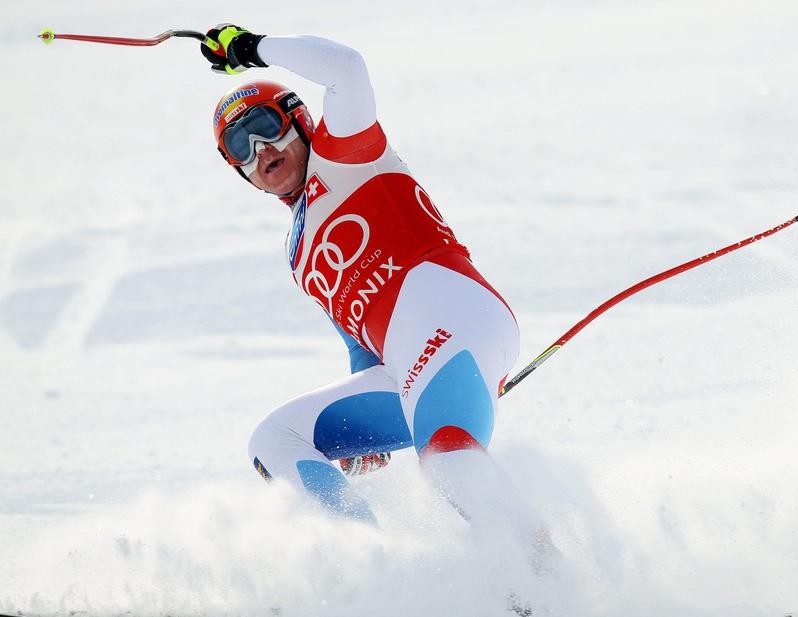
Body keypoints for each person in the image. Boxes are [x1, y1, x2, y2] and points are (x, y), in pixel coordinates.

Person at [200, 25, 542, 544]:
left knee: (447, 461)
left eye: (266, 127)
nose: (259, 151)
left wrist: (251, 49)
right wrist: (363, 434)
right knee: (274, 439)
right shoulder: (298, 255)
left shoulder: (346, 155)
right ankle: (378, 569)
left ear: (299, 120)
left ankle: (551, 582)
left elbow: (346, 69)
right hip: (404, 367)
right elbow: (363, 343)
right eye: (239, 148)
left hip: (456, 317)